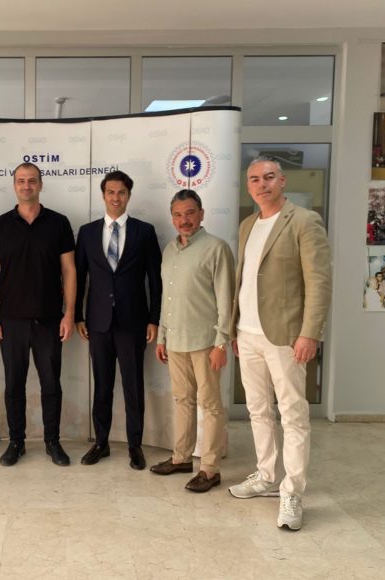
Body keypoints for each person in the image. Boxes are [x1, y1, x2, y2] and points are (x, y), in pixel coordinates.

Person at [228, 157, 332, 531]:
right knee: (258, 410)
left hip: (286, 336)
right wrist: (235, 329)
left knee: (293, 414)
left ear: (282, 181)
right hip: (248, 334)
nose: (262, 184)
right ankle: (266, 477)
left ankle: (292, 492)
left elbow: (319, 282)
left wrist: (310, 333)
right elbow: (244, 281)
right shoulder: (247, 225)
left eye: (269, 177)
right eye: (255, 179)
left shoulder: (304, 221)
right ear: (249, 186)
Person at [0, 162, 76, 467]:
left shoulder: (59, 223)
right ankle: (16, 442)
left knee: (51, 384)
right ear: (14, 186)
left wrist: (69, 313)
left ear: (40, 185)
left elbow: (69, 270)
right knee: (14, 385)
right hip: (11, 320)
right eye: (21, 181)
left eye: (32, 181)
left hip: (49, 319)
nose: (26, 186)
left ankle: (52, 442)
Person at [73, 170, 161, 470]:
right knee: (102, 386)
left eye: (121, 192)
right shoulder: (87, 232)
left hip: (133, 323)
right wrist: (77, 315)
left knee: (133, 386)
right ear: (103, 195)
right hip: (97, 323)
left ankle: (135, 445)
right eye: (110, 192)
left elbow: (155, 279)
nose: (115, 197)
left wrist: (154, 319)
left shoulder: (144, 232)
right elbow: (79, 277)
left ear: (129, 195)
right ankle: (101, 442)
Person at [153, 189, 234, 492]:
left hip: (205, 342)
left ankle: (210, 469)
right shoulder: (169, 250)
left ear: (201, 214)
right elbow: (167, 297)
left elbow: (226, 299)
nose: (183, 220)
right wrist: (162, 336)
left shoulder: (216, 248)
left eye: (189, 213)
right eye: (177, 214)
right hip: (175, 341)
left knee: (210, 405)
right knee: (183, 401)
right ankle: (181, 458)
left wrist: (221, 343)